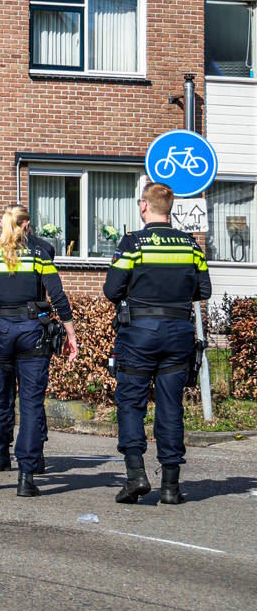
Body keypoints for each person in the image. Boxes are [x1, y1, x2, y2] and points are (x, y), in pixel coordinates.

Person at [0, 205, 78, 496]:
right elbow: (58, 296)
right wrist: (71, 334)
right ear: (25, 225)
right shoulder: (39, 254)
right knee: (31, 404)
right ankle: (26, 476)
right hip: (31, 332)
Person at [105, 182, 211, 505]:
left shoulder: (133, 243)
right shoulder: (190, 245)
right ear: (170, 209)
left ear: (144, 206)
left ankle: (136, 475)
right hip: (178, 333)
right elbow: (203, 290)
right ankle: (170, 486)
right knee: (171, 406)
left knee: (131, 403)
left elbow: (112, 290)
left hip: (139, 333)